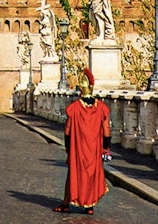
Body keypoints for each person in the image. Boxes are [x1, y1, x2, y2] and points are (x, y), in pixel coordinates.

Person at [54, 68, 111, 215]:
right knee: (91, 175)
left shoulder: (74, 108)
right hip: (95, 149)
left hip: (78, 148)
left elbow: (67, 130)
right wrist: (106, 149)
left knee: (74, 174)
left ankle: (66, 203)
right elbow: (106, 132)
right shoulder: (102, 108)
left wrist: (67, 146)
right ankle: (89, 206)